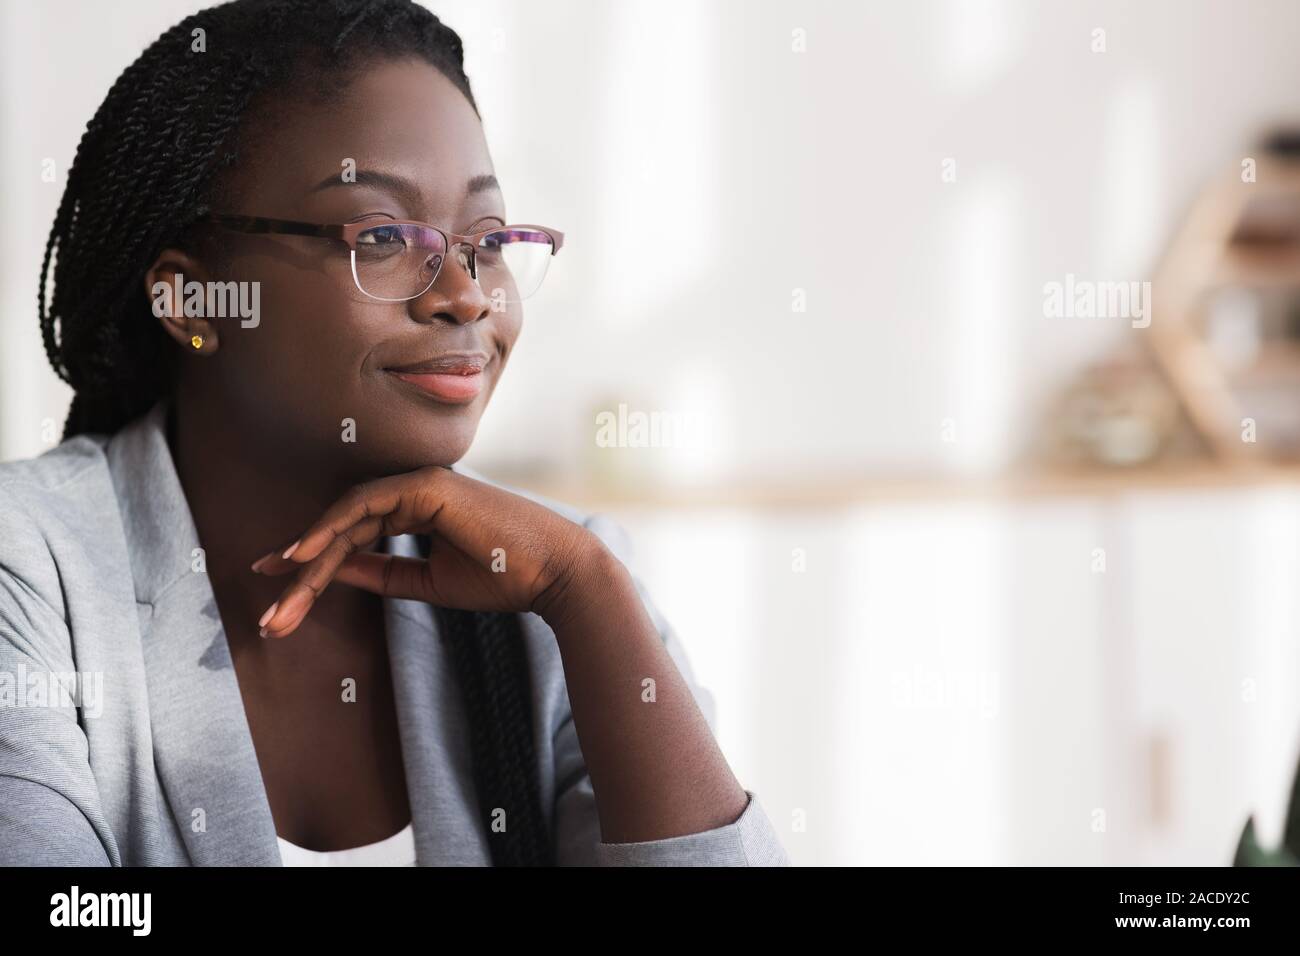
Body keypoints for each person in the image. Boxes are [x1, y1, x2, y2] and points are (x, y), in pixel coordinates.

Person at [0, 0, 789, 866]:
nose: (465, 294)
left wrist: (592, 594)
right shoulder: (29, 571)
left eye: (486, 243)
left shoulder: (560, 588)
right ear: (191, 300)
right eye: (381, 235)